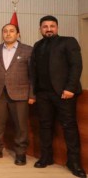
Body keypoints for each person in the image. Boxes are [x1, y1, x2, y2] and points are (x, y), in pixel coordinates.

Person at [31, 15, 86, 178]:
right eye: (45, 26)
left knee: (69, 127)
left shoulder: (68, 41)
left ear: (57, 28)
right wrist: (34, 91)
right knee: (45, 126)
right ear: (40, 29)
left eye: (52, 26)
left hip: (64, 94)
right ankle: (46, 157)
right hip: (43, 94)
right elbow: (33, 70)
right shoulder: (37, 45)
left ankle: (74, 162)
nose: (48, 29)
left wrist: (69, 88)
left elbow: (77, 66)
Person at [0, 24, 34, 166]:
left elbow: (32, 74)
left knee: (21, 125)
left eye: (12, 31)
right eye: (5, 31)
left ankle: (20, 153)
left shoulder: (28, 50)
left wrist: (32, 94)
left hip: (20, 93)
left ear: (18, 34)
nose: (8, 33)